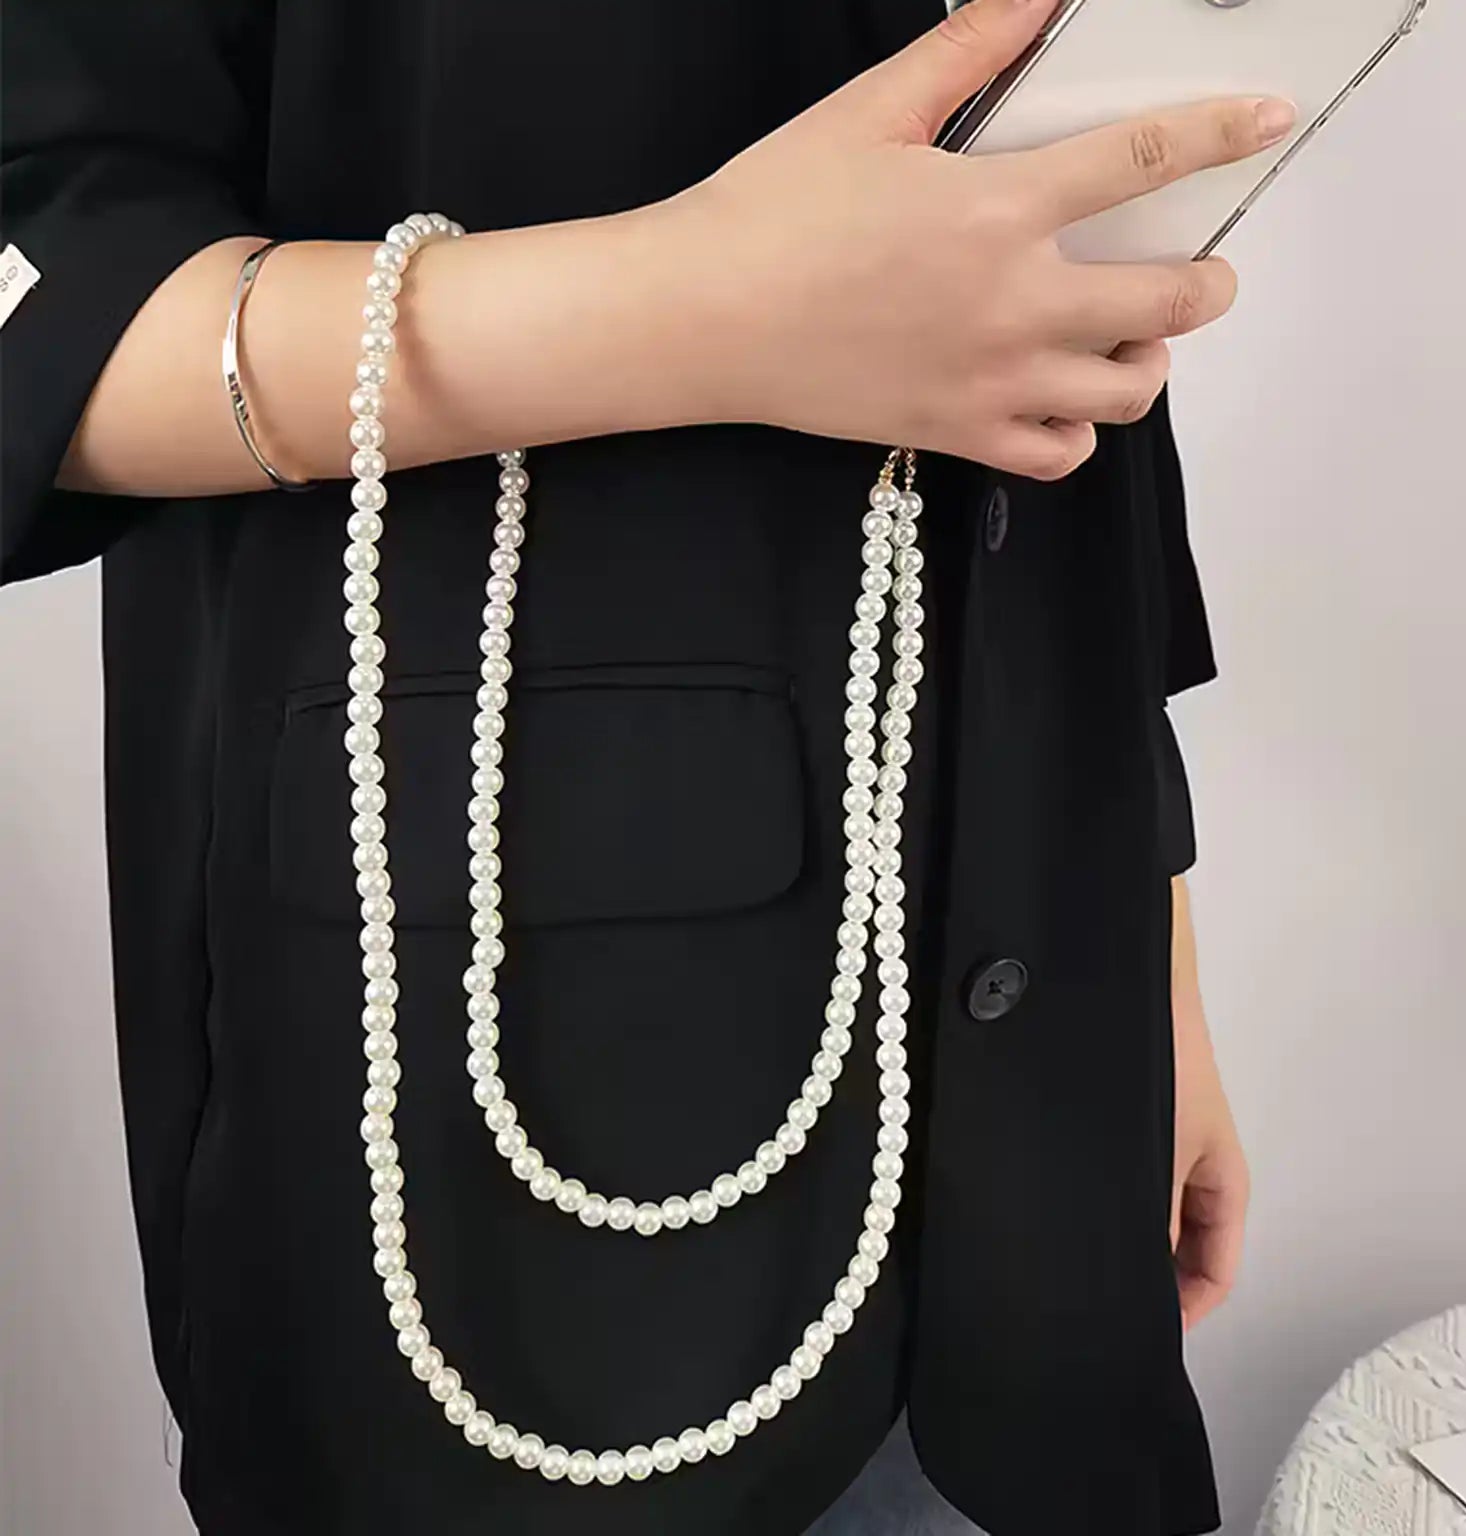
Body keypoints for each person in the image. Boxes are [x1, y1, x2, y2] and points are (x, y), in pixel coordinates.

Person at [0, 0, 1263, 1531]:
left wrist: (1151, 925)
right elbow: (43, 313)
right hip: (511, 1107)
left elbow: (1048, 300)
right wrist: (710, 307)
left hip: (1046, 1026)